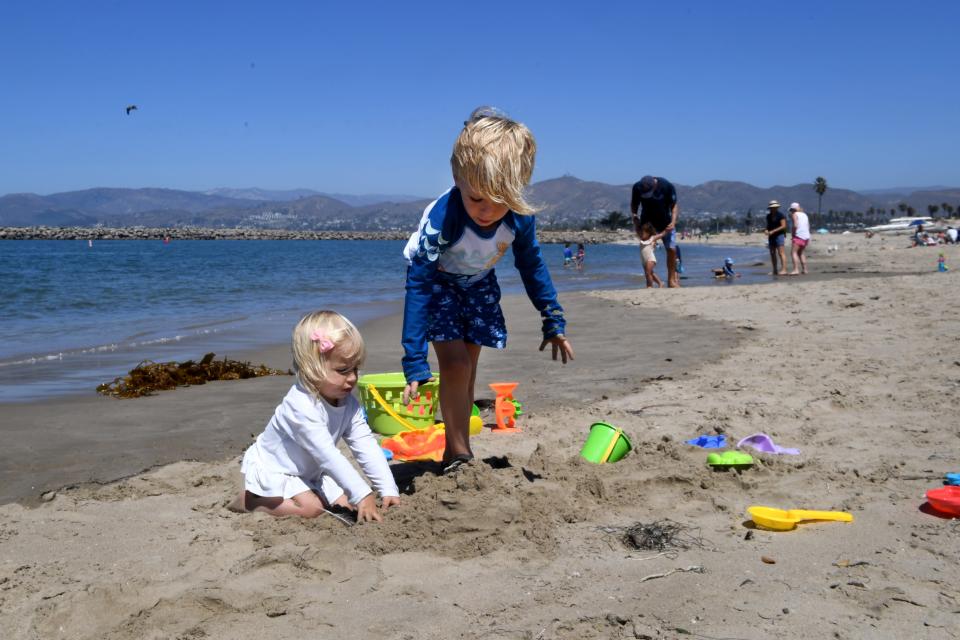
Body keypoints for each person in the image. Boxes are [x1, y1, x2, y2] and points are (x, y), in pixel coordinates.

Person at [401, 107, 574, 474]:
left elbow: (532, 266)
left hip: (478, 282)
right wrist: (413, 360)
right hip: (437, 281)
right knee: (455, 363)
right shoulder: (442, 219)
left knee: (469, 369)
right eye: (477, 198)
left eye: (500, 200)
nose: (488, 211)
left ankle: (455, 450)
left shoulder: (518, 217)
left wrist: (552, 318)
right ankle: (459, 454)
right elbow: (418, 283)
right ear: (457, 177)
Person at [233, 310, 400, 521]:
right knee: (313, 509)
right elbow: (327, 455)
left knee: (344, 503)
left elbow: (365, 444)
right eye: (343, 370)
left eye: (355, 369)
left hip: (311, 472)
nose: (352, 378)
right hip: (278, 469)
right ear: (311, 369)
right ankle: (250, 500)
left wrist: (387, 488)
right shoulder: (300, 406)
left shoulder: (348, 403)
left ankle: (312, 492)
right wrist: (363, 493)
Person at [631, 175, 681, 287]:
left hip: (665, 221)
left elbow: (674, 206)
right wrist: (634, 216)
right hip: (647, 223)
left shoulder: (667, 186)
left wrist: (673, 221)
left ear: (654, 185)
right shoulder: (637, 187)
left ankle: (671, 280)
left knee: (671, 249)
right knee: (645, 249)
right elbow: (634, 204)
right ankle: (649, 283)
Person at [764, 200, 788, 275]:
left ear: (777, 207)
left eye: (775, 207)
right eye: (772, 207)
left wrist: (773, 231)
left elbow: (784, 226)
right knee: (772, 253)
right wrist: (766, 230)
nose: (773, 209)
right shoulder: (768, 216)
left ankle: (784, 269)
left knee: (781, 253)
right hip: (771, 236)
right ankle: (775, 270)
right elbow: (768, 226)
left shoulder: (780, 215)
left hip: (779, 235)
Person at [637, 222, 664, 288]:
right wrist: (634, 217)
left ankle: (649, 286)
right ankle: (660, 283)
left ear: (649, 233)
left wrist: (668, 229)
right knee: (650, 273)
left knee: (648, 273)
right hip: (644, 260)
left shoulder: (652, 238)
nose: (641, 234)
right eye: (641, 232)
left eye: (643, 232)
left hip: (650, 259)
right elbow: (637, 228)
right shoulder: (641, 239)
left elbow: (661, 234)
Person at [788, 202, 811, 275]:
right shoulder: (805, 215)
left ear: (792, 209)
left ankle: (796, 269)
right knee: (801, 252)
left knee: (793, 252)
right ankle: (805, 269)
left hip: (798, 236)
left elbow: (795, 225)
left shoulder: (794, 214)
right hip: (806, 236)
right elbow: (808, 226)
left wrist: (793, 234)